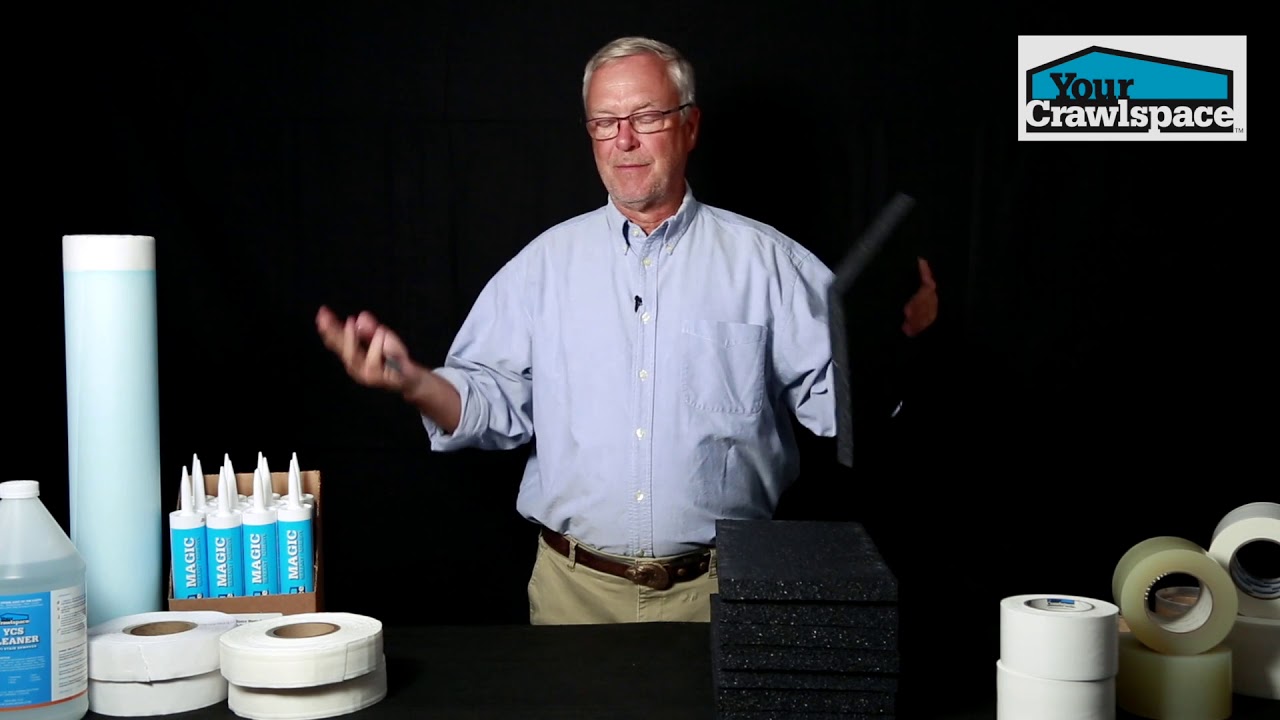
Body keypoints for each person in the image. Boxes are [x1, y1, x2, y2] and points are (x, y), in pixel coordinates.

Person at [315, 36, 928, 625]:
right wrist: (415, 382)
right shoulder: (542, 267)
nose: (624, 140)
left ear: (690, 126)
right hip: (573, 595)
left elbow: (845, 412)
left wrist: (897, 341)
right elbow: (493, 402)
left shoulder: (771, 265)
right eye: (604, 122)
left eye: (647, 117)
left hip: (725, 592)